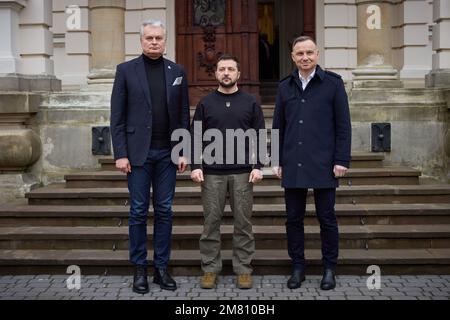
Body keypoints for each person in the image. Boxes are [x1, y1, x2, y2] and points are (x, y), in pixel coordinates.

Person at [110, 20, 190, 294]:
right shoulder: (125, 71)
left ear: (165, 41)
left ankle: (162, 269)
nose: (154, 42)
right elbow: (117, 117)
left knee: (165, 211)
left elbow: (182, 115)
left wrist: (183, 150)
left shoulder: (177, 71)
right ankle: (139, 270)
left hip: (168, 154)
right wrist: (121, 153)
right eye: (149, 38)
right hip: (138, 155)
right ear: (141, 40)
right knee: (138, 211)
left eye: (158, 38)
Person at [272, 36, 351, 290]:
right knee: (293, 219)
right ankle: (298, 267)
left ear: (317, 54)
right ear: (292, 57)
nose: (304, 58)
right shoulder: (285, 86)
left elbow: (343, 126)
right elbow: (278, 126)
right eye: (299, 54)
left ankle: (329, 268)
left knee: (326, 218)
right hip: (293, 162)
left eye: (309, 53)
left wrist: (341, 159)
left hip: (324, 162)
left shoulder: (333, 84)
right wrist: (276, 160)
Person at [190, 54, 265, 290]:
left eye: (230, 69)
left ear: (238, 74)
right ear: (216, 74)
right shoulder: (206, 103)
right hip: (212, 173)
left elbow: (260, 135)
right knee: (211, 222)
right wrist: (195, 165)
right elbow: (195, 137)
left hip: (243, 172)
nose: (226, 73)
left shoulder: (250, 102)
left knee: (243, 222)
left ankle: (243, 269)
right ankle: (210, 268)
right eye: (222, 69)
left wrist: (259, 166)